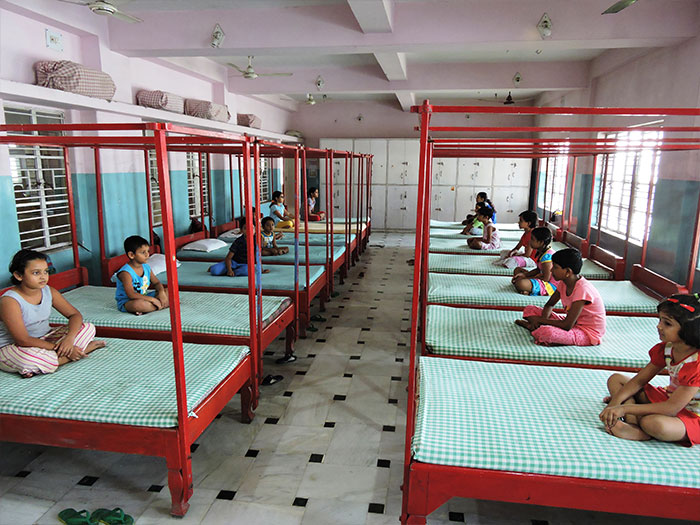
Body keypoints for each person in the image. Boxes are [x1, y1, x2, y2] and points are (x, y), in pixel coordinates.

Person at [600, 294, 700, 445]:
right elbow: (639, 381)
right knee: (616, 380)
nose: (659, 326)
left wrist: (625, 408)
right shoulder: (667, 348)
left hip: (692, 416)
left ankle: (640, 427)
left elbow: (671, 408)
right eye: (660, 320)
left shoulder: (696, 365)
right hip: (669, 398)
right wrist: (615, 403)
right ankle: (633, 424)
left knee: (654, 423)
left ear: (689, 329)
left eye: (667, 323)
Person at [0, 250, 104, 377]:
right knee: (27, 360)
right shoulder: (10, 301)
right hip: (14, 346)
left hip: (45, 338)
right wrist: (59, 347)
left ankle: (49, 362)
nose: (43, 277)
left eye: (46, 271)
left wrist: (69, 339)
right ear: (18, 275)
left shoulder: (49, 291)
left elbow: (75, 315)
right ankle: (79, 352)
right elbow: (22, 340)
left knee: (88, 328)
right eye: (36, 273)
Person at [515, 248, 606, 346]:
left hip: (587, 332)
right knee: (529, 309)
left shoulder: (582, 290)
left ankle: (535, 328)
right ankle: (537, 328)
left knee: (547, 332)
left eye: (555, 267)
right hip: (572, 322)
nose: (551, 270)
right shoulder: (563, 283)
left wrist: (540, 321)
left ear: (567, 272)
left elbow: (567, 325)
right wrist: (542, 321)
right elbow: (549, 305)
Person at [114, 236, 169, 315]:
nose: (147, 255)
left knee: (169, 291)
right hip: (129, 301)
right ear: (131, 255)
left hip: (144, 297)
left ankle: (152, 307)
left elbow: (156, 283)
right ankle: (160, 305)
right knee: (137, 305)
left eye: (148, 251)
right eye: (143, 252)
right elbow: (131, 294)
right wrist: (153, 300)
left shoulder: (146, 267)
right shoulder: (126, 273)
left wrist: (161, 292)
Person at [511, 227, 557, 296]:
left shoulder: (547, 257)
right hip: (541, 277)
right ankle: (528, 290)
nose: (529, 241)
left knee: (520, 283)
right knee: (517, 270)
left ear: (541, 242)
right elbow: (538, 270)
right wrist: (525, 275)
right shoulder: (541, 252)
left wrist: (526, 278)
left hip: (549, 285)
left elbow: (546, 279)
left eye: (532, 239)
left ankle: (529, 290)